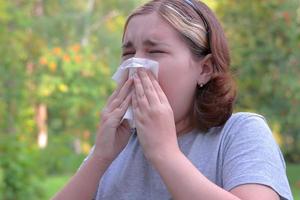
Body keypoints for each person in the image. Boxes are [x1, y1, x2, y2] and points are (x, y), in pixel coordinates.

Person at [53, 0, 293, 199]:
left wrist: (165, 153)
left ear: (205, 69)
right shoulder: (117, 145)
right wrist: (100, 158)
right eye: (128, 53)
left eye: (155, 51)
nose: (135, 65)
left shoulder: (239, 133)